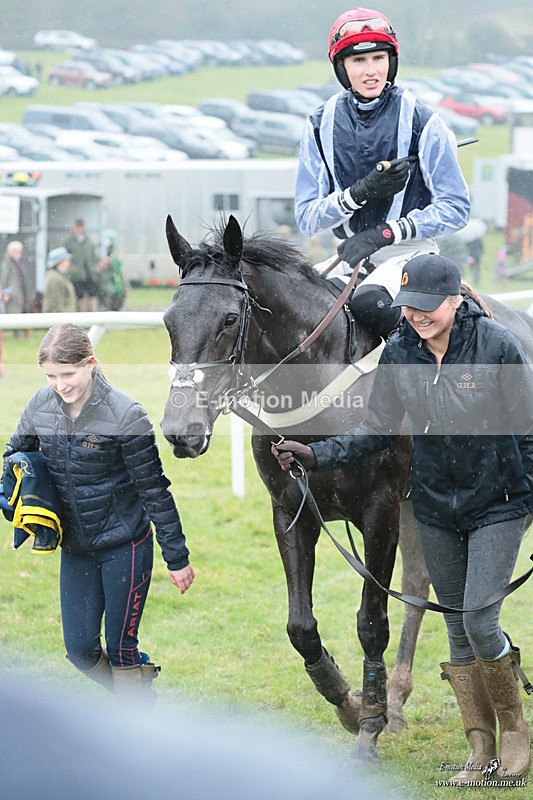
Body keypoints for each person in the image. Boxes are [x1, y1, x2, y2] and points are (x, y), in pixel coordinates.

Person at [272, 254, 533, 783]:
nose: (416, 316)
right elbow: (376, 430)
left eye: (427, 307)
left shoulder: (497, 347)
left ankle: (513, 731)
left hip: (498, 504)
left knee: (481, 621)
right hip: (436, 507)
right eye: (408, 307)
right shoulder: (399, 354)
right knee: (458, 628)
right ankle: (478, 748)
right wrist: (316, 455)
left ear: (456, 300)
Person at [2, 323, 195, 703]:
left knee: (121, 648)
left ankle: (133, 727)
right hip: (75, 547)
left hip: (125, 545)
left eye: (68, 373)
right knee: (79, 651)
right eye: (51, 376)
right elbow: (12, 458)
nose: (60, 384)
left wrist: (178, 558)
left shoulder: (127, 415)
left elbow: (154, 490)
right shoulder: (39, 406)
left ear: (90, 363)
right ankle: (138, 693)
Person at [294, 8, 470, 339]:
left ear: (392, 61)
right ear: (342, 68)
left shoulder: (424, 121)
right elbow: (307, 219)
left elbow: (457, 209)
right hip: (351, 257)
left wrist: (384, 234)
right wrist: (357, 194)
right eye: (359, 61)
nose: (371, 70)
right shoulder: (318, 125)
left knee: (370, 300)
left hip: (412, 255)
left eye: (379, 57)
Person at [64, 218, 105, 312]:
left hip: (90, 275)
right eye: (78, 227)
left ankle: (93, 318)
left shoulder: (89, 242)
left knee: (93, 297)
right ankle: (83, 319)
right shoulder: (69, 242)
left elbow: (93, 257)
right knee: (80, 299)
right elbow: (66, 258)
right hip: (77, 276)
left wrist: (96, 268)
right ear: (74, 228)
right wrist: (72, 270)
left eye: (81, 227)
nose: (80, 230)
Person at [0, 240, 30, 337]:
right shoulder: (7, 264)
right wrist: (5, 293)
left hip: (21, 293)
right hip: (12, 295)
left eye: (18, 251)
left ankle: (20, 336)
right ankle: (18, 336)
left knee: (21, 313)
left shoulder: (19, 263)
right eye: (15, 251)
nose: (17, 254)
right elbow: (3, 280)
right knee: (15, 314)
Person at [42, 247, 77, 313]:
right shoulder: (55, 279)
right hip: (61, 321)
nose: (68, 263)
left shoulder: (58, 276)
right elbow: (56, 306)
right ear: (59, 262)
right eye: (66, 260)